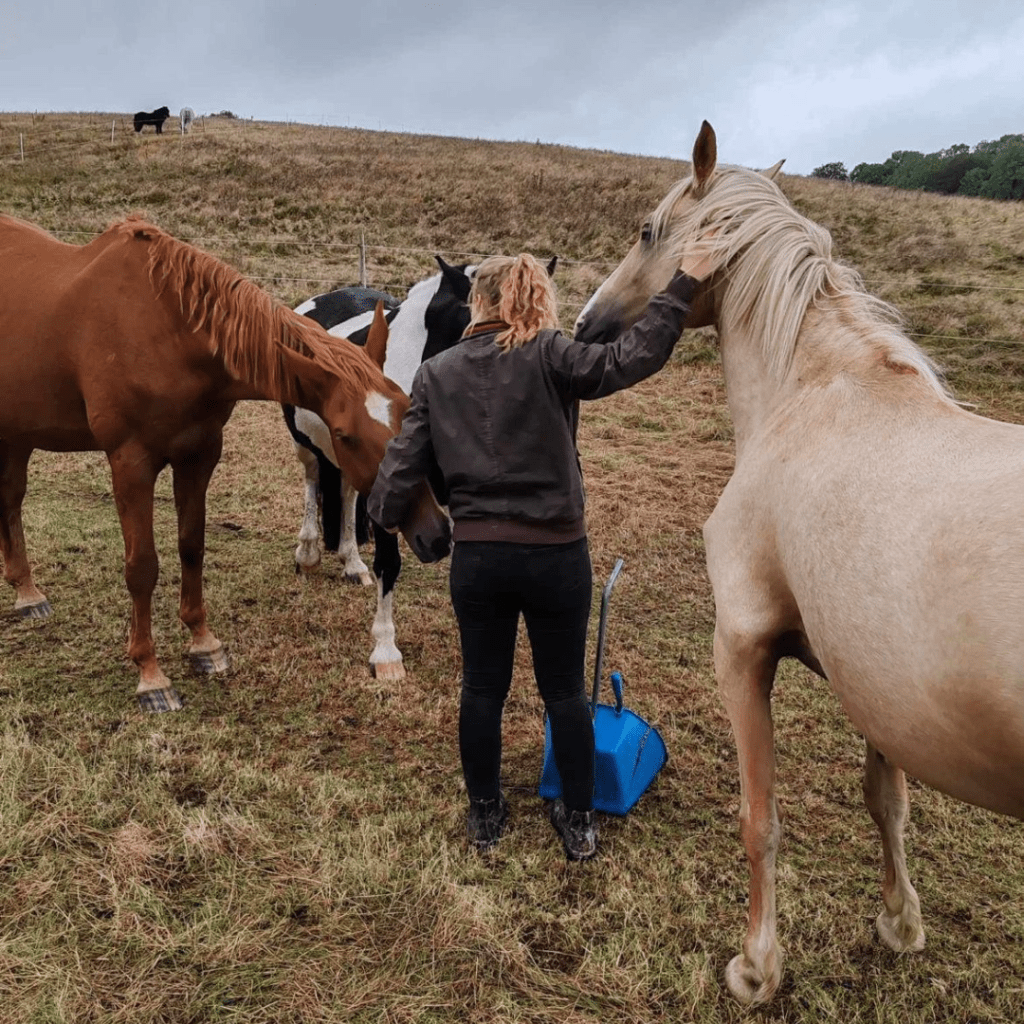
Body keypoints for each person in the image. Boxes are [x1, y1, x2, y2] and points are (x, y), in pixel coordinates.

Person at [367, 244, 717, 860]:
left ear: (479, 302)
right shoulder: (554, 353)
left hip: (479, 562)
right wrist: (683, 285)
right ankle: (579, 820)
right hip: (558, 556)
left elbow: (397, 472)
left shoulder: (436, 374)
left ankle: (485, 813)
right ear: (530, 299)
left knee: (482, 688)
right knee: (565, 693)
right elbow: (632, 357)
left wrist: (383, 517)